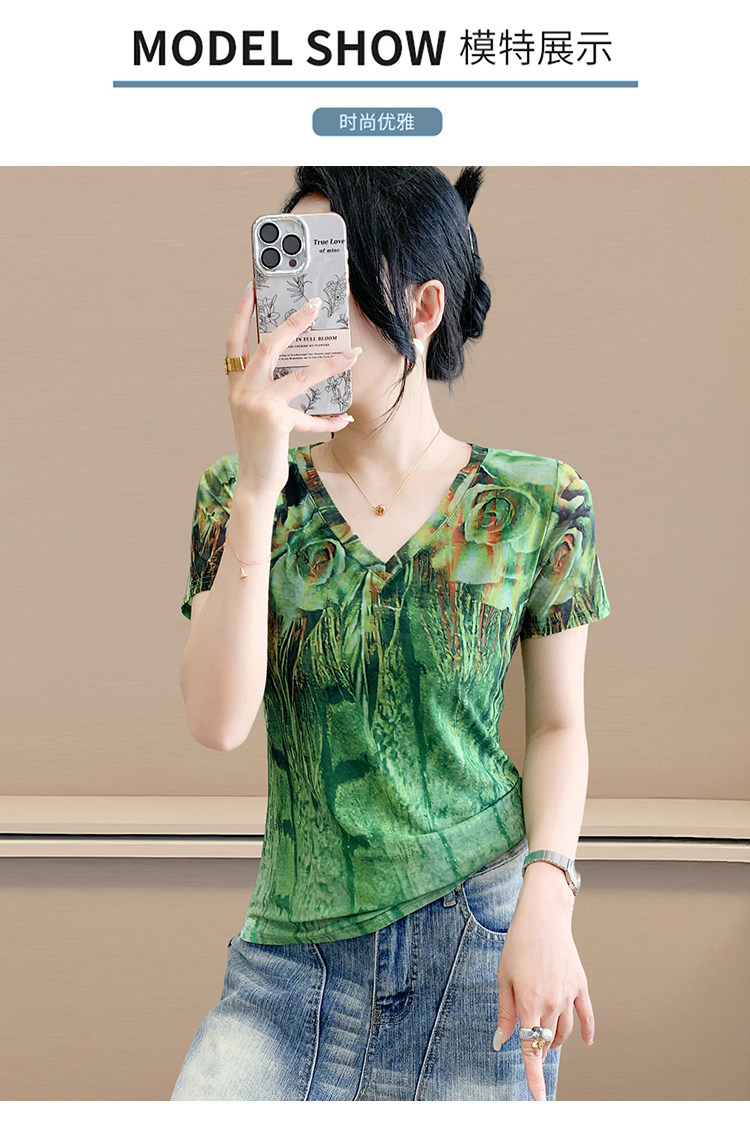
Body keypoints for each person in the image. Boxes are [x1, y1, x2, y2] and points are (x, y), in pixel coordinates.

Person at [170, 166, 611, 1102]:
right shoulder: (242, 494)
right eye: (293, 278)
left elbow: (557, 724)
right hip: (290, 966)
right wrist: (259, 482)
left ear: (422, 307)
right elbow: (217, 720)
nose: (304, 314)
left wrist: (549, 897)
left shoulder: (538, 499)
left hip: (482, 946)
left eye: (334, 280)